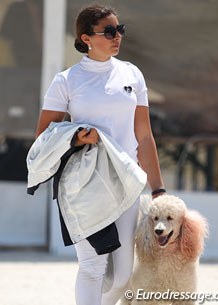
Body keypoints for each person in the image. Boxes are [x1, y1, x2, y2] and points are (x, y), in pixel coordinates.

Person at [35, 4, 166, 305]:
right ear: (86, 38)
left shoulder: (132, 74)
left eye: (120, 29)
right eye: (109, 31)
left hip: (127, 181)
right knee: (93, 266)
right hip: (83, 183)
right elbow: (44, 136)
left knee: (121, 277)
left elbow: (144, 136)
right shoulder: (66, 80)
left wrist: (157, 189)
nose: (117, 36)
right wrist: (77, 137)